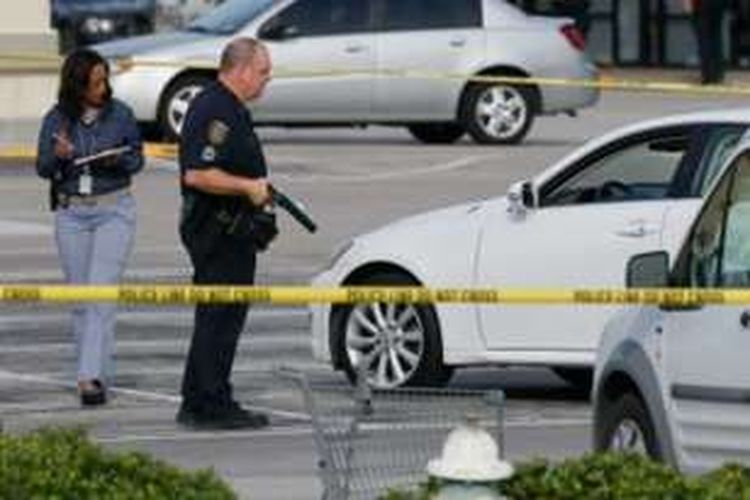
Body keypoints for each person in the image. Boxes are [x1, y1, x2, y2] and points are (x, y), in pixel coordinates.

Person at [36, 49, 144, 406]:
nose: (103, 87)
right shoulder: (56, 119)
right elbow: (42, 166)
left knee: (102, 293)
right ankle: (95, 369)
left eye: (104, 79)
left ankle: (89, 378)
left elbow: (137, 157)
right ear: (77, 85)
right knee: (80, 299)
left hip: (113, 208)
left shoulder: (121, 114)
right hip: (71, 212)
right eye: (95, 82)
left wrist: (118, 158)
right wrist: (60, 156)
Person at [176, 37, 274, 430]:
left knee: (219, 316)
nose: (267, 81)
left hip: (231, 230)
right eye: (263, 73)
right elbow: (197, 173)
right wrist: (247, 188)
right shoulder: (214, 108)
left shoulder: (230, 106)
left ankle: (201, 397)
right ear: (242, 69)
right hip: (216, 231)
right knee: (220, 315)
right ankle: (209, 403)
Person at [685, 0, 731, 84]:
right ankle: (718, 74)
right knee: (716, 37)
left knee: (704, 38)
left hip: (702, 4)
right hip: (718, 4)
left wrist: (689, 5)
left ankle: (707, 75)